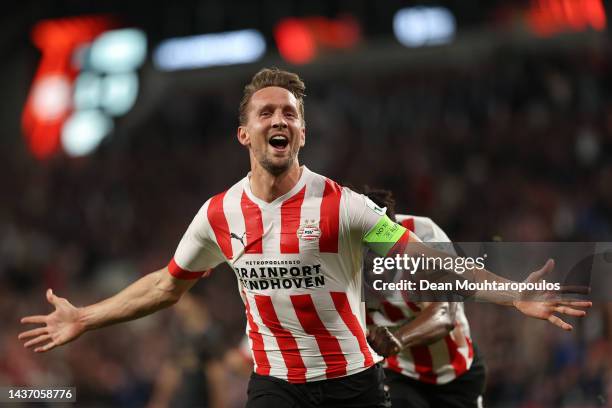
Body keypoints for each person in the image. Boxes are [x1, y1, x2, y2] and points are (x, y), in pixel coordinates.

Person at [18, 68, 591, 408]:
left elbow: (434, 268)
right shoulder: (218, 214)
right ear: (245, 132)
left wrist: (515, 292)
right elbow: (167, 286)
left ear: (301, 131)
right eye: (267, 111)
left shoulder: (345, 206)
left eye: (290, 112)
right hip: (277, 389)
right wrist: (87, 317)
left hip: (356, 384)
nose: (280, 119)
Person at [363, 187, 485, 408]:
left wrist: (398, 338)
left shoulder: (425, 236)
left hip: (454, 371)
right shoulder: (338, 252)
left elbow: (443, 315)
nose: (372, 267)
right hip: (397, 374)